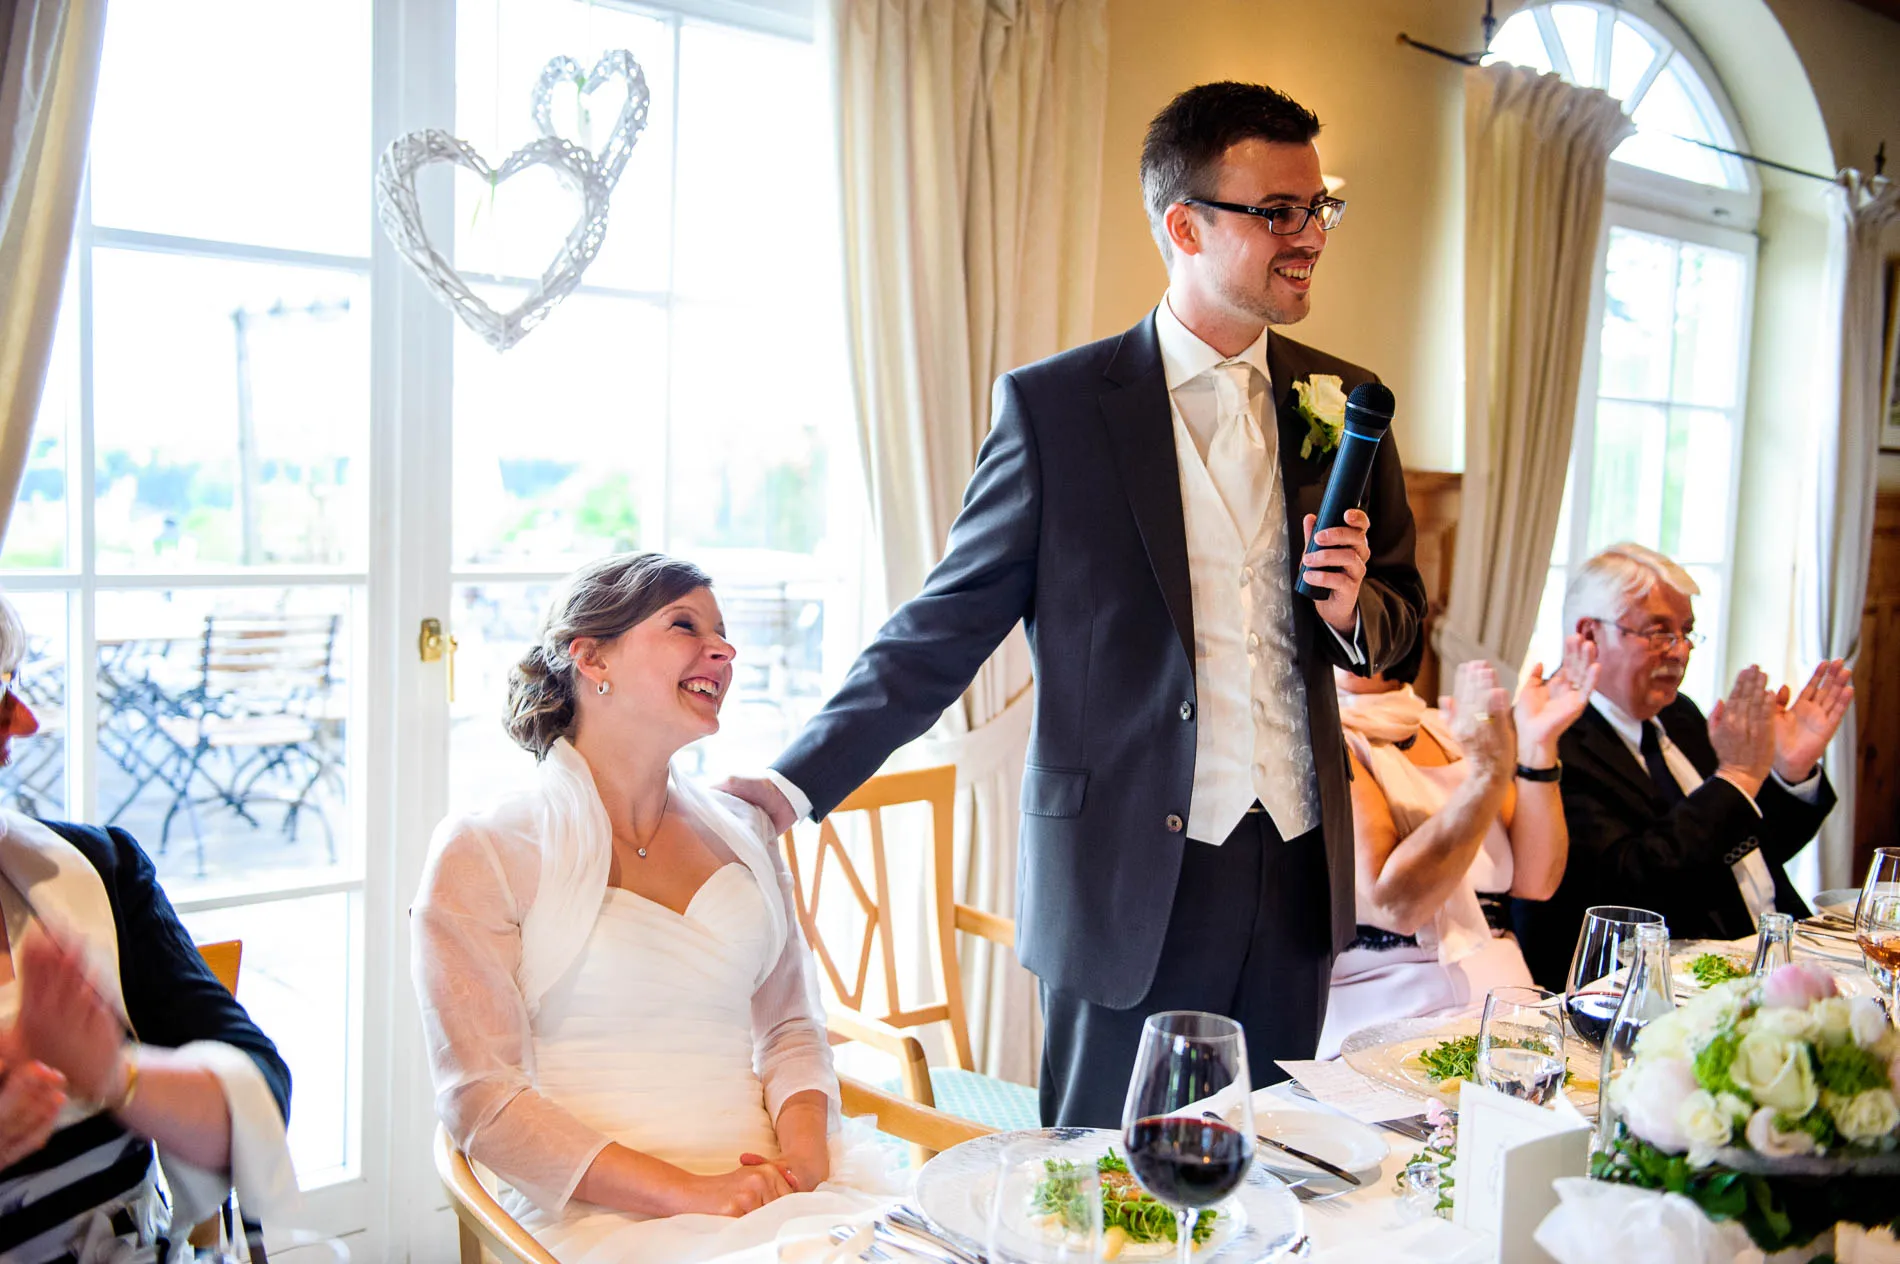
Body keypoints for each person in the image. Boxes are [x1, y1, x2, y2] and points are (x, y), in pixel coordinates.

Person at [723, 82, 1427, 1128]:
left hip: (1294, 878)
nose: (1310, 237)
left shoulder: (1348, 403)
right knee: (1102, 1182)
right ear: (1184, 226)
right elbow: (945, 626)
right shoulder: (1055, 410)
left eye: (1318, 207)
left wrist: (1352, 609)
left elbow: (1403, 624)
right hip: (1123, 881)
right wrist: (793, 783)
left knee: (1272, 1174)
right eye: (1278, 212)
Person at [410, 554, 894, 1264]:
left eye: (723, 633)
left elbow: (791, 1029)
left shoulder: (746, 829)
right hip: (602, 1218)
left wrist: (801, 1168)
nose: (723, 650)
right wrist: (693, 1194)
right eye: (684, 626)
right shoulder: (485, 849)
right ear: (591, 658)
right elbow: (482, 1100)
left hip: (778, 1197)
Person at [0, 594, 296, 1264]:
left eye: (12, 683)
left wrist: (117, 1074)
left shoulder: (95, 869)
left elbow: (262, 1099)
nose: (26, 720)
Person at [1512, 544, 1852, 988]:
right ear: (1589, 634)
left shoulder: (1679, 715)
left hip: (1774, 951)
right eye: (1659, 633)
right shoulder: (1548, 738)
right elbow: (1630, 888)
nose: (1680, 651)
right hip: (1654, 984)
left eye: (1686, 633)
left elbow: (1740, 849)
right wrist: (1736, 778)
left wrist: (1788, 773)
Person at [1316, 641, 1597, 1058]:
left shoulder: (1448, 729)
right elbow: (1396, 906)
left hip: (1509, 1009)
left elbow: (1537, 881)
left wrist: (1538, 747)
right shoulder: (1320, 736)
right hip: (1388, 1024)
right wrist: (1487, 776)